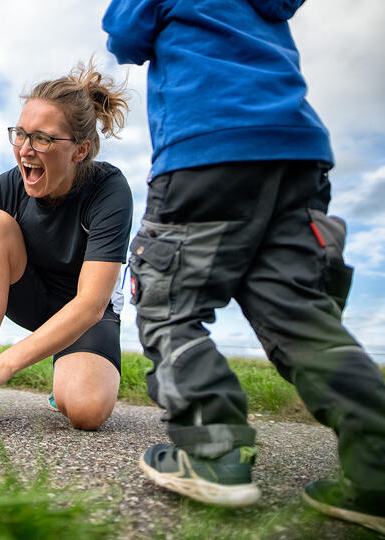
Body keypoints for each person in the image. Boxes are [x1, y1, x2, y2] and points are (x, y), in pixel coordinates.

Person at [102, 0, 385, 533]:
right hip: (296, 152)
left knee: (168, 303)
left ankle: (213, 452)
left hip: (206, 149)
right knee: (299, 311)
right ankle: (377, 471)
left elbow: (124, 36)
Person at [0, 61, 133, 432]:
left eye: (42, 139)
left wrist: (6, 364)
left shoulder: (109, 190)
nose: (25, 150)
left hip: (83, 316)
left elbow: (91, 304)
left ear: (79, 150)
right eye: (20, 134)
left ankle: (63, 377)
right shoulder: (6, 187)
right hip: (30, 299)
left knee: (85, 410)